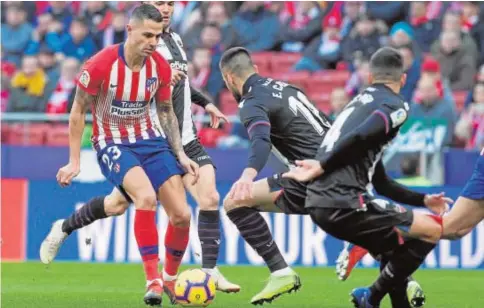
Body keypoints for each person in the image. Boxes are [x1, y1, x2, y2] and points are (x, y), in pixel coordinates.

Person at [39, 1, 239, 303]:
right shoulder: (100, 64)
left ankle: (170, 280)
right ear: (129, 29)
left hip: (151, 140)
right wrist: (74, 161)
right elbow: (78, 110)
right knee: (144, 198)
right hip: (112, 142)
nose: (153, 43)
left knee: (182, 215)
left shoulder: (159, 65)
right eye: (147, 36)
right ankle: (154, 282)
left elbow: (167, 111)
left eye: (157, 37)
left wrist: (181, 154)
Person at [283, 47, 451, 308]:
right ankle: (370, 297)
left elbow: (380, 180)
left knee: (395, 252)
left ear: (371, 76)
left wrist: (424, 199)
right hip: (345, 202)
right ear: (403, 79)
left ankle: (383, 298)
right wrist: (322, 165)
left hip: (320, 203)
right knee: (431, 230)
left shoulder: (359, 102)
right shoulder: (395, 106)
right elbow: (363, 135)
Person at [219, 47, 332, 305]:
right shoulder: (289, 88)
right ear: (255, 70)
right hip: (339, 168)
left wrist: (247, 176)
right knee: (356, 224)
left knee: (234, 202)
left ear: (229, 79)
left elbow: (260, 142)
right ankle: (404, 281)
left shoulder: (251, 101)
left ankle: (280, 272)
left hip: (309, 177)